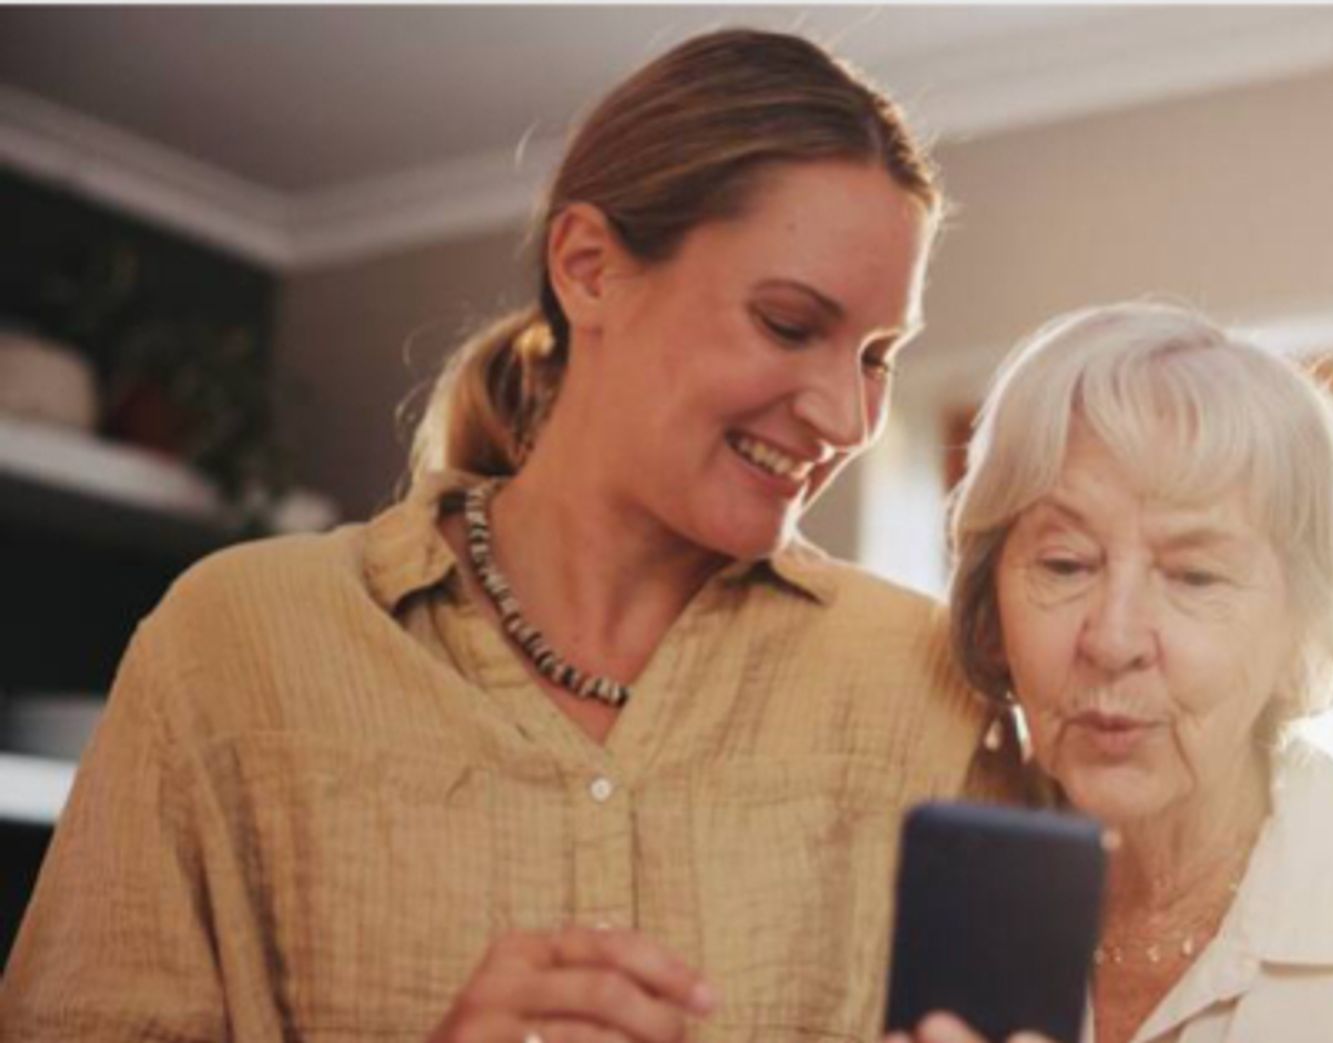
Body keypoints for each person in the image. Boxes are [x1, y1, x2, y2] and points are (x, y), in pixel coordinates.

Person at [0, 28, 1001, 1043]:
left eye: (877, 355)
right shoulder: (235, 643)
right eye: (788, 324)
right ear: (587, 267)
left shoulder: (925, 686)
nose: (843, 413)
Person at [927, 302, 1333, 1043]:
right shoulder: (932, 892)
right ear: (989, 603)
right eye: (1065, 563)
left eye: (1195, 577)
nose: (1112, 638)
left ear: (1304, 629)